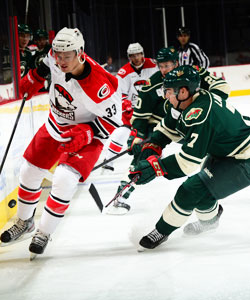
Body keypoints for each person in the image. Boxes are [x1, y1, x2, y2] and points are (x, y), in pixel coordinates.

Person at [0, 27, 122, 257]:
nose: (62, 60)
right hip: (56, 124)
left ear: (80, 53)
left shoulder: (100, 85)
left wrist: (87, 133)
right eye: (58, 55)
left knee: (64, 179)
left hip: (88, 135)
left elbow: (115, 121)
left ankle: (44, 232)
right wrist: (35, 77)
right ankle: (25, 222)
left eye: (67, 56)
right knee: (28, 172)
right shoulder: (55, 57)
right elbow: (46, 64)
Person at [128, 65, 250, 251]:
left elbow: (188, 162)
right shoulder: (186, 101)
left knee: (191, 189)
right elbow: (169, 123)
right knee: (203, 193)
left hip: (244, 157)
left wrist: (154, 167)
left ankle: (161, 231)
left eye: (168, 91)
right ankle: (210, 222)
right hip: (226, 151)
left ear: (183, 91)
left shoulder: (200, 114)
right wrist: (153, 144)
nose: (164, 95)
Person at [107, 46, 230, 215]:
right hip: (164, 126)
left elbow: (221, 86)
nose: (164, 70)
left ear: (176, 63)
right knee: (143, 155)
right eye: (161, 66)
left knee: (208, 151)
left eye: (168, 65)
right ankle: (122, 194)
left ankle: (207, 196)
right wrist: (137, 136)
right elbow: (141, 116)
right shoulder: (152, 84)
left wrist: (206, 105)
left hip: (194, 122)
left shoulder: (193, 73)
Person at [101, 42, 158, 173]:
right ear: (129, 57)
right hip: (132, 109)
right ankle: (109, 159)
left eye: (138, 54)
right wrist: (127, 107)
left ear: (142, 54)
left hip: (152, 107)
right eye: (133, 55)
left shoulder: (153, 66)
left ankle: (157, 157)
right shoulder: (123, 72)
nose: (136, 58)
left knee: (156, 132)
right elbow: (119, 94)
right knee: (122, 132)